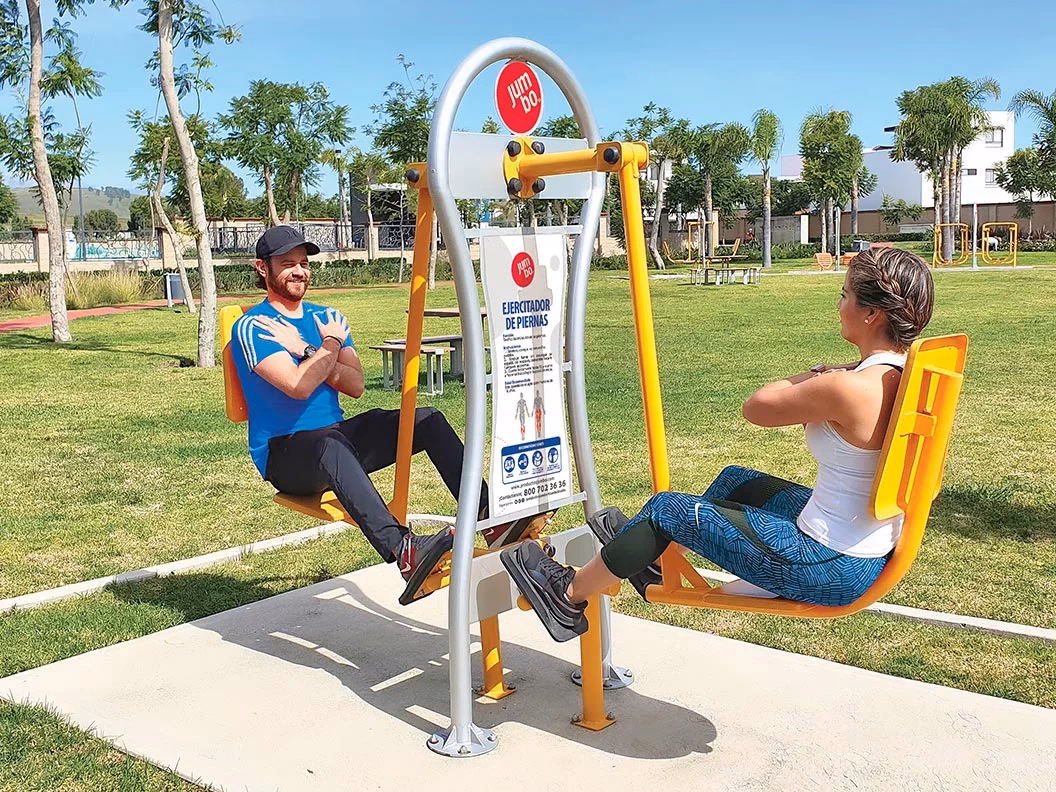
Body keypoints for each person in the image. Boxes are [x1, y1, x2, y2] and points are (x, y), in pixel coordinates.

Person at [501, 247, 936, 641]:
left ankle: (567, 594)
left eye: (845, 296)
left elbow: (758, 407)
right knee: (735, 482)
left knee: (665, 509)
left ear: (871, 315)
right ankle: (654, 557)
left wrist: (818, 374)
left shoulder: (848, 388)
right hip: (860, 549)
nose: (839, 306)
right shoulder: (904, 374)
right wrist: (842, 371)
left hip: (827, 562)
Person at [231, 226, 546, 599]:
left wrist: (307, 350)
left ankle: (490, 519)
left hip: (334, 435)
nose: (299, 271)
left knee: (425, 419)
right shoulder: (255, 326)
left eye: (303, 263)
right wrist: (327, 346)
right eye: (287, 264)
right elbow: (298, 386)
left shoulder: (326, 317)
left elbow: (355, 384)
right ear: (262, 269)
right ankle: (405, 551)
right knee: (330, 445)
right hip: (285, 452)